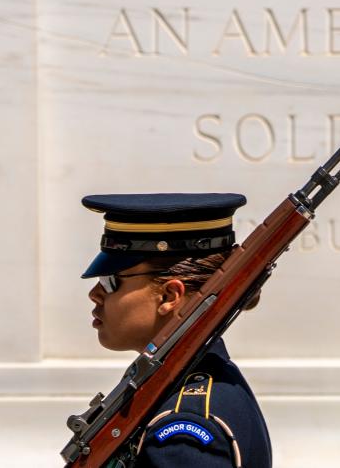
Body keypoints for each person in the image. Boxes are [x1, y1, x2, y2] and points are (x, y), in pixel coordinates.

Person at [81, 192, 272, 468]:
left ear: (169, 296)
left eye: (111, 281)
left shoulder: (183, 428)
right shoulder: (173, 385)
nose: (95, 294)